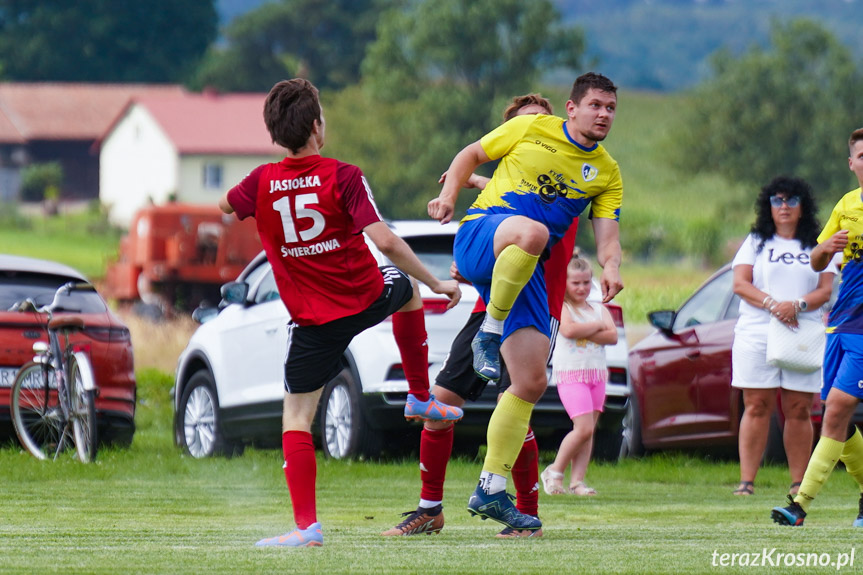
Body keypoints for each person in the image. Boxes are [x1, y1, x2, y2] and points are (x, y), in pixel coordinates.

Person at [218, 78, 464, 548]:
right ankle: (417, 395)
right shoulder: (344, 174)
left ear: (274, 134)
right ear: (316, 125)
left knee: (296, 418)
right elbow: (386, 241)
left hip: (312, 323)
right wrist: (437, 282)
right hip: (366, 298)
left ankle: (307, 528)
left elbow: (226, 205)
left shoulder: (260, 183)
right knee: (407, 285)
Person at [427, 72, 624, 533]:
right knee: (533, 231)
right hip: (483, 232)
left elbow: (609, 238)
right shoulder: (531, 127)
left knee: (531, 383)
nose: (604, 115)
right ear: (571, 109)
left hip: (527, 273)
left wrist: (612, 267)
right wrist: (448, 194)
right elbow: (470, 155)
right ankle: (489, 334)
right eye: (595, 105)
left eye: (611, 108)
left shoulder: (607, 173)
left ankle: (491, 488)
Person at [383, 93, 575, 539]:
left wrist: (469, 181)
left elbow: (536, 230)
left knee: (516, 409)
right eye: (526, 127)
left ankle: (527, 515)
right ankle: (429, 510)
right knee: (440, 405)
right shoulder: (498, 197)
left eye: (544, 124)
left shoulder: (569, 183)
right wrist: (466, 271)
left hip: (536, 312)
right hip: (488, 310)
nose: (538, 134)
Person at [773, 128, 863, 527]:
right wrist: (826, 248)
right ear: (851, 163)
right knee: (836, 418)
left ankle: (800, 504)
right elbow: (815, 261)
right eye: (861, 155)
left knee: (837, 411)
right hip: (841, 320)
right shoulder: (847, 203)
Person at [729, 176, 837, 497]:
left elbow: (826, 289)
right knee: (757, 404)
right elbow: (740, 284)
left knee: (798, 408)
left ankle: (798, 483)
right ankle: (747, 482)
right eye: (777, 201)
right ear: (768, 206)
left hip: (801, 332)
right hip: (757, 330)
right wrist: (773, 305)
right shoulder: (755, 242)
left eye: (791, 200)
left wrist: (798, 305)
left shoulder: (818, 243)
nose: (784, 207)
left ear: (804, 206)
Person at [540, 255, 617, 496]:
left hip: (596, 375)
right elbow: (569, 330)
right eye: (576, 283)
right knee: (582, 428)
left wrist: (592, 329)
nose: (582, 288)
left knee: (589, 431)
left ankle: (577, 481)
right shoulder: (562, 307)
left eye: (586, 282)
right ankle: (554, 471)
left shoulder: (599, 309)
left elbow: (612, 336)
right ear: (565, 283)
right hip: (572, 375)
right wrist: (597, 327)